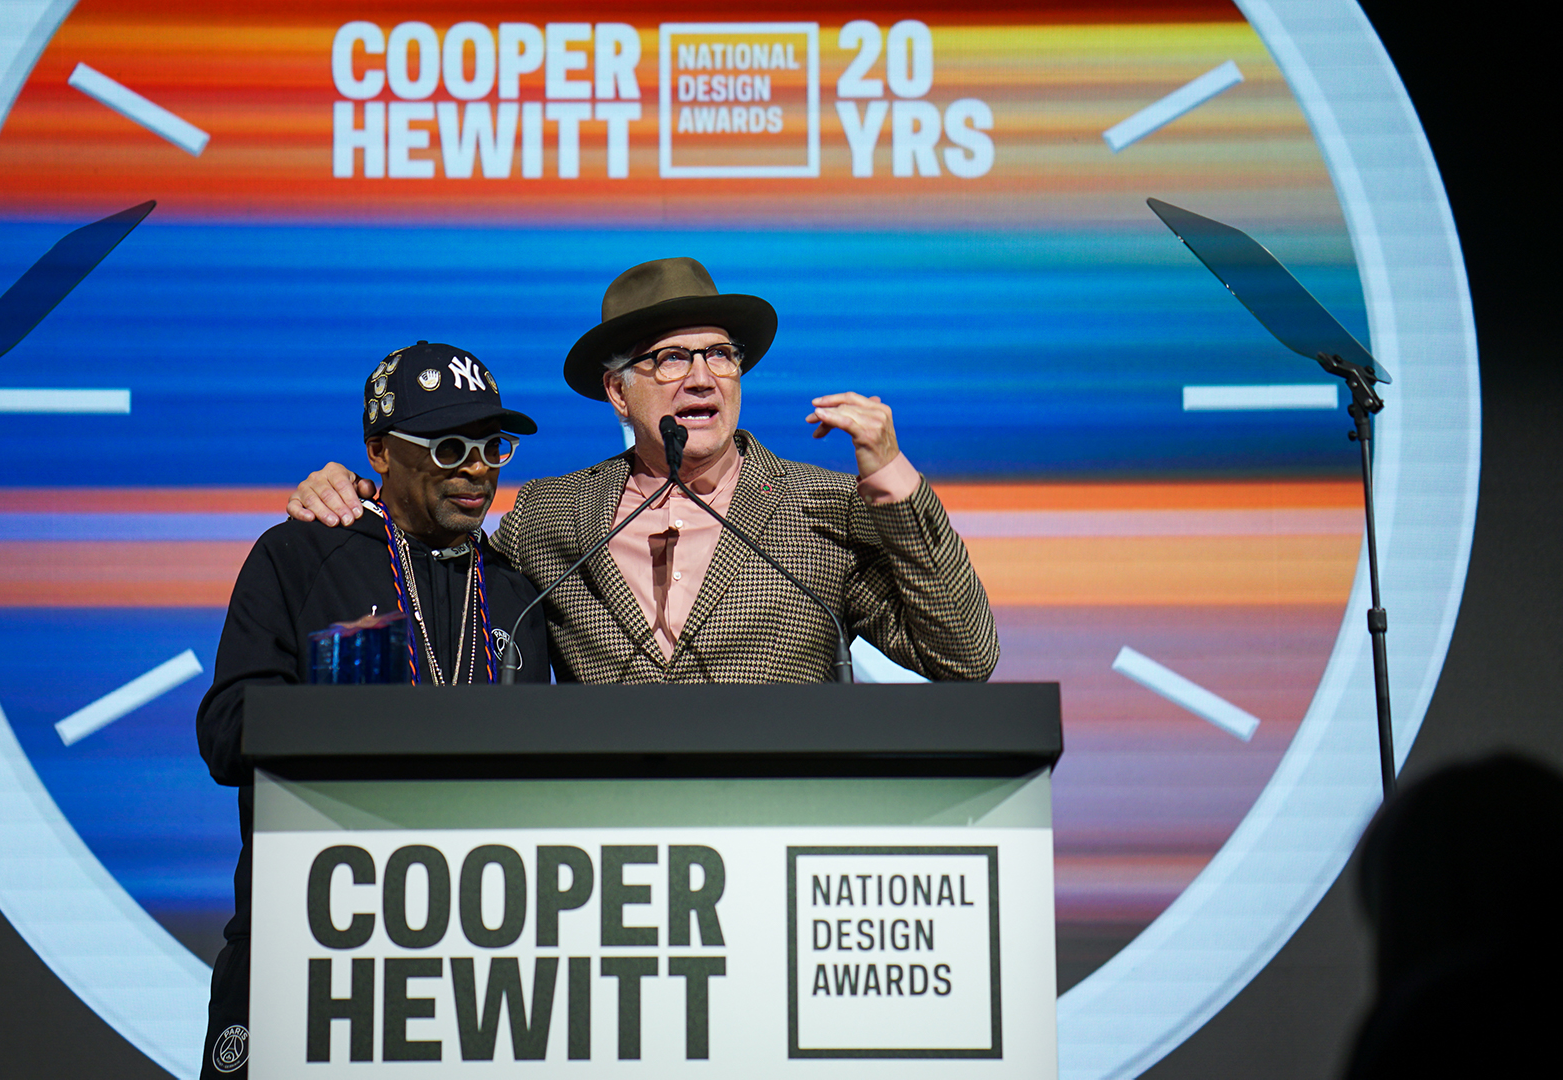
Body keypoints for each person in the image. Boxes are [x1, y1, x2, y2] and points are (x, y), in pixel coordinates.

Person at [288, 258, 996, 683]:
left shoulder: (820, 505)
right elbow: (440, 581)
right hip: (608, 862)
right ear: (616, 388)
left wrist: (894, 480)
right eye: (669, 358)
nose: (701, 378)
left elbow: (963, 654)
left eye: (719, 354)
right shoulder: (551, 515)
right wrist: (363, 495)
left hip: (779, 839)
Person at [195, 341, 550, 1077]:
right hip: (309, 938)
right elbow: (225, 733)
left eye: (492, 446)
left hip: (477, 959)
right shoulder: (298, 554)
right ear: (380, 451)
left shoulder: (517, 591)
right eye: (450, 446)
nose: (477, 468)